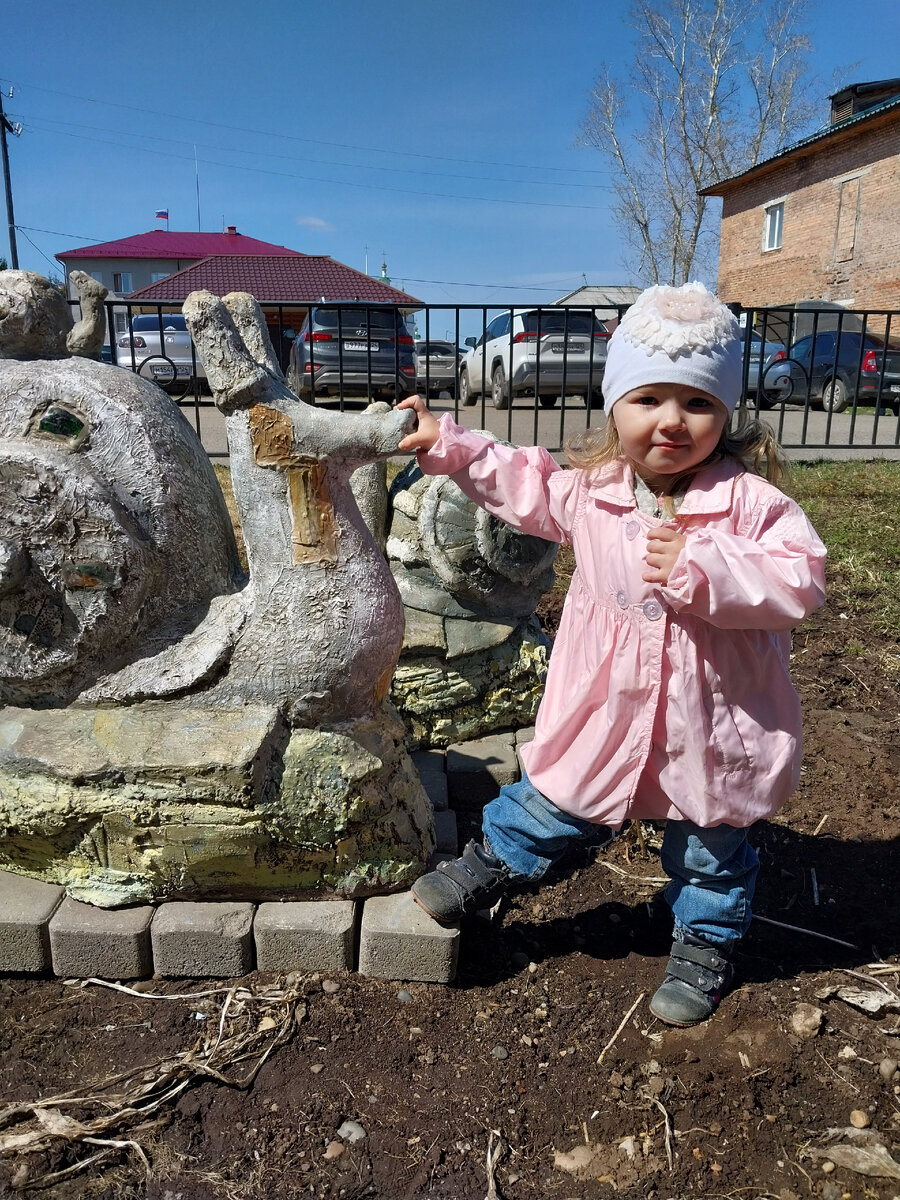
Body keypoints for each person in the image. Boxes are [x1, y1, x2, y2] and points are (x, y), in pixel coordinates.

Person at [396, 282, 827, 1027]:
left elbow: (801, 580)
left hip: (710, 720)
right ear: (614, 405)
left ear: (726, 413)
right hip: (606, 706)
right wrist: (449, 444)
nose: (671, 420)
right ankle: (491, 863)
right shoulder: (594, 492)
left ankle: (704, 944)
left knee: (711, 845)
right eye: (648, 399)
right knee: (555, 796)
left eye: (697, 403)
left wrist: (706, 565)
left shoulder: (753, 507)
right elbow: (522, 483)